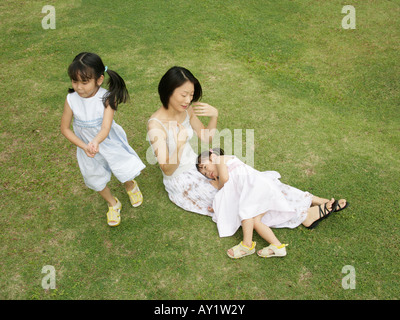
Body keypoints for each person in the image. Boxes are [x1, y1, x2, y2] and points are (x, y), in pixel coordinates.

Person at [196, 148, 349, 259]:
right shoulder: (227, 172)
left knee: (246, 212)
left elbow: (225, 181)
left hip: (256, 185)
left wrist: (217, 184)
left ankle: (247, 245)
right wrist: (217, 206)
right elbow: (230, 196)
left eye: (205, 167)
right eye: (204, 174)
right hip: (257, 187)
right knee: (255, 220)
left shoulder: (221, 160)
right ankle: (277, 246)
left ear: (212, 156)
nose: (206, 173)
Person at [61, 52, 145, 227]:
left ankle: (130, 185)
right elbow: (65, 128)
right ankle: (113, 203)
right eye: (75, 81)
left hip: (107, 141)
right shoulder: (71, 100)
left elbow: (106, 127)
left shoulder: (107, 97)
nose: (79, 87)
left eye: (84, 82)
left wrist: (96, 141)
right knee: (93, 175)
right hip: (86, 147)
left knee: (122, 166)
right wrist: (85, 146)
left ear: (99, 80)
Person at [147, 66, 219, 215]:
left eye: (191, 95)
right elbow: (167, 169)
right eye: (184, 95)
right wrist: (179, 145)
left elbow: (206, 137)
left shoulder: (187, 110)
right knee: (222, 199)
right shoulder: (156, 124)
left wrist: (214, 116)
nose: (188, 100)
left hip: (196, 164)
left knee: (232, 178)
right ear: (168, 92)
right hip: (178, 177)